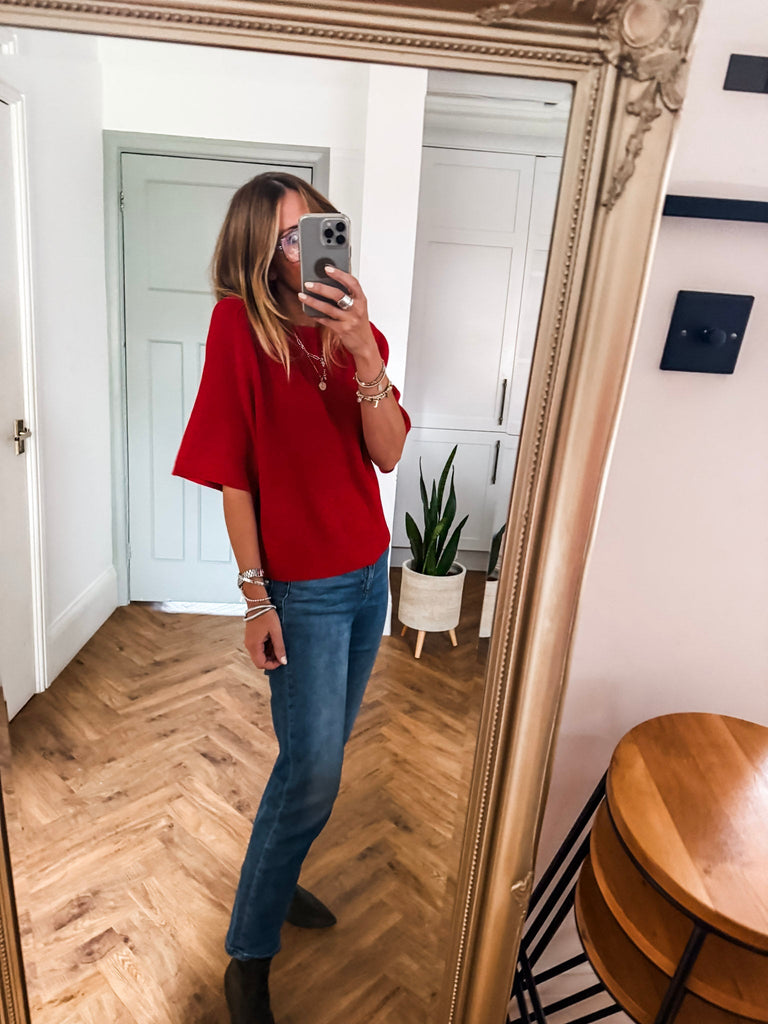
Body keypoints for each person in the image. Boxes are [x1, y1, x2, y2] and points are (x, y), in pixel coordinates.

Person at [172, 171, 409, 1024]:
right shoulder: (236, 327)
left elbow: (386, 455)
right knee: (310, 770)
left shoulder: (355, 330)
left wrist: (364, 353)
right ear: (256, 249)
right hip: (302, 593)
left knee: (319, 764)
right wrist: (255, 599)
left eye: (314, 228)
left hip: (369, 575)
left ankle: (276, 881)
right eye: (284, 236)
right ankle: (248, 954)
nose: (303, 246)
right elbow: (233, 473)